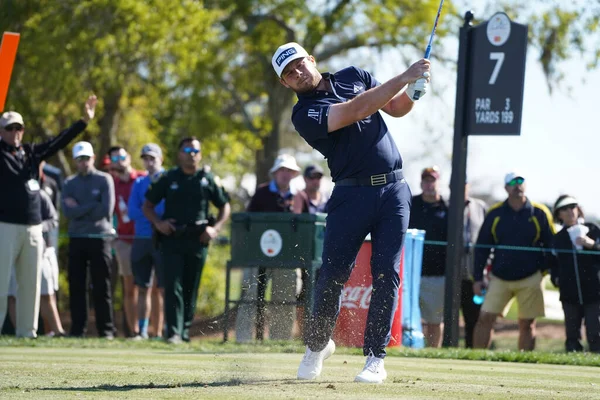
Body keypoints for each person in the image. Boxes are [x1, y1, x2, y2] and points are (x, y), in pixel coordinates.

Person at [271, 42, 430, 383]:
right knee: (333, 275)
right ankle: (317, 346)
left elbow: (396, 108)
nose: (297, 73)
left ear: (311, 60)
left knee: (386, 273)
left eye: (299, 64)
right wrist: (406, 74)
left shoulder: (354, 75)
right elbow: (356, 110)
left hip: (394, 191)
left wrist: (414, 91)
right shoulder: (304, 114)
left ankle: (375, 358)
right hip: (350, 194)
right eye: (289, 73)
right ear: (285, 84)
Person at [0, 95, 97, 338]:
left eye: (18, 128)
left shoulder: (31, 153)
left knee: (31, 284)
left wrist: (83, 122)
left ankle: (27, 332)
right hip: (5, 226)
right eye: (9, 128)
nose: (15, 132)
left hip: (33, 228)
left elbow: (58, 142)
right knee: (1, 285)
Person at [143, 137, 231, 344]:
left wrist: (215, 228)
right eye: (187, 149)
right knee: (172, 285)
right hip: (172, 239)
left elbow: (224, 206)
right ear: (179, 153)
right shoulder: (168, 177)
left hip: (198, 240)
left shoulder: (207, 179)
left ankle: (184, 332)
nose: (191, 153)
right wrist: (158, 223)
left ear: (200, 154)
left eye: (195, 150)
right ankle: (173, 332)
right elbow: (147, 205)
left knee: (191, 287)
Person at [472, 172, 555, 351]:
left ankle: (524, 361)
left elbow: (551, 245)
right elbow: (482, 248)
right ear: (506, 188)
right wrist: (478, 278)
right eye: (512, 182)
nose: (517, 185)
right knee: (485, 318)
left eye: (520, 181)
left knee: (527, 323)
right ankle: (477, 358)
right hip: (499, 277)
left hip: (531, 277)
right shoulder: (495, 213)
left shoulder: (539, 212)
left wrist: (543, 270)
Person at [235, 154, 301, 343]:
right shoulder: (262, 193)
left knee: (284, 298)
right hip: (258, 255)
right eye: (282, 170)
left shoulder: (298, 196)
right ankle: (243, 340)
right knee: (249, 295)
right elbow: (249, 222)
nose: (285, 174)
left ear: (294, 174)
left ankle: (280, 340)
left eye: (289, 171)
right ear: (275, 172)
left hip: (287, 257)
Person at [62, 141, 116, 338]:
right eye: (79, 159)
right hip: (77, 238)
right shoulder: (69, 183)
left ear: (93, 158)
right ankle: (77, 330)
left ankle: (106, 330)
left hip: (99, 237)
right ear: (75, 161)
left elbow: (105, 210)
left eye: (86, 158)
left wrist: (80, 208)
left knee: (102, 285)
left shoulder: (104, 180)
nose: (83, 162)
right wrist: (92, 205)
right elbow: (68, 212)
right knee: (77, 285)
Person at [6, 188, 65, 337]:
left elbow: (53, 219)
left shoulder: (38, 193)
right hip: (11, 250)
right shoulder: (7, 193)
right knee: (12, 295)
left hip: (40, 249)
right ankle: (19, 333)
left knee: (45, 292)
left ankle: (57, 332)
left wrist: (35, 226)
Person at [550, 195, 600, 353]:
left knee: (595, 331)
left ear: (578, 209)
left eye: (572, 206)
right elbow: (553, 263)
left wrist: (593, 244)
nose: (570, 211)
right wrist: (556, 279)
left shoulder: (592, 229)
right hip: (569, 294)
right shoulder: (558, 238)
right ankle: (574, 360)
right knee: (572, 334)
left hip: (594, 292)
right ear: (559, 214)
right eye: (564, 208)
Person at [128, 143, 166, 339]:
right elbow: (133, 211)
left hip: (163, 240)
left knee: (162, 288)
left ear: (160, 159)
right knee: (142, 287)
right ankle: (142, 331)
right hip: (141, 239)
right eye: (146, 158)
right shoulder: (139, 183)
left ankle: (160, 332)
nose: (149, 162)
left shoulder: (168, 180)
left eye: (153, 158)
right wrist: (151, 214)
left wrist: (148, 212)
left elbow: (165, 210)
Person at [408, 166, 448, 348]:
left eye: (432, 180)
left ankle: (433, 353)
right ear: (421, 182)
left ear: (438, 183)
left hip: (436, 274)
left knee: (434, 320)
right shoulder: (411, 203)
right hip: (409, 273)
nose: (429, 184)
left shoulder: (447, 208)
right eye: (426, 180)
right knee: (407, 320)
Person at [109, 145, 146, 338]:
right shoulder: (112, 184)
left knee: (149, 287)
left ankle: (151, 330)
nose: (119, 161)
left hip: (145, 238)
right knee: (129, 287)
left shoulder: (142, 178)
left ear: (129, 157)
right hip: (124, 241)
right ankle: (134, 333)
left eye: (121, 157)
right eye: (114, 159)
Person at [460, 182, 487, 348]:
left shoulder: (480, 206)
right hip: (453, 275)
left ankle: (472, 350)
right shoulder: (447, 206)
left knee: (474, 317)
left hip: (474, 274)